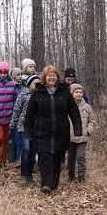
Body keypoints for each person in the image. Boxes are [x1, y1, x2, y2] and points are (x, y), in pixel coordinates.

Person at [24, 65, 82, 193]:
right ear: (44, 77)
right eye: (49, 75)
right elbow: (29, 114)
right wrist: (27, 131)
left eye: (54, 75)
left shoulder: (64, 92)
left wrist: (78, 128)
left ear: (57, 77)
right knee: (45, 157)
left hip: (60, 132)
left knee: (57, 158)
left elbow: (73, 110)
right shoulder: (38, 93)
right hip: (42, 132)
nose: (52, 77)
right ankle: (46, 184)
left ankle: (54, 184)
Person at [9, 74, 41, 184]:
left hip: (36, 128)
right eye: (35, 83)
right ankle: (23, 175)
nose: (37, 85)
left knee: (33, 152)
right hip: (23, 126)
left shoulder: (41, 95)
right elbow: (17, 110)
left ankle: (29, 174)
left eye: (39, 83)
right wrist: (12, 126)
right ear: (29, 84)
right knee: (26, 149)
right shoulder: (23, 95)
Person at [67, 84, 96, 183]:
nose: (79, 94)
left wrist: (89, 130)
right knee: (71, 157)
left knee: (81, 156)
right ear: (72, 93)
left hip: (83, 137)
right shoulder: (68, 106)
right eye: (76, 92)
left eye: (81, 92)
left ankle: (81, 176)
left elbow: (92, 120)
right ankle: (71, 176)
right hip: (70, 136)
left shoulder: (87, 107)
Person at [9, 67, 24, 164]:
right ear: (14, 77)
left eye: (20, 74)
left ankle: (19, 158)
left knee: (20, 138)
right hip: (12, 115)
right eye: (18, 75)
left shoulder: (23, 87)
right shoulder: (11, 87)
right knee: (14, 138)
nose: (20, 76)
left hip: (22, 116)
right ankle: (14, 158)